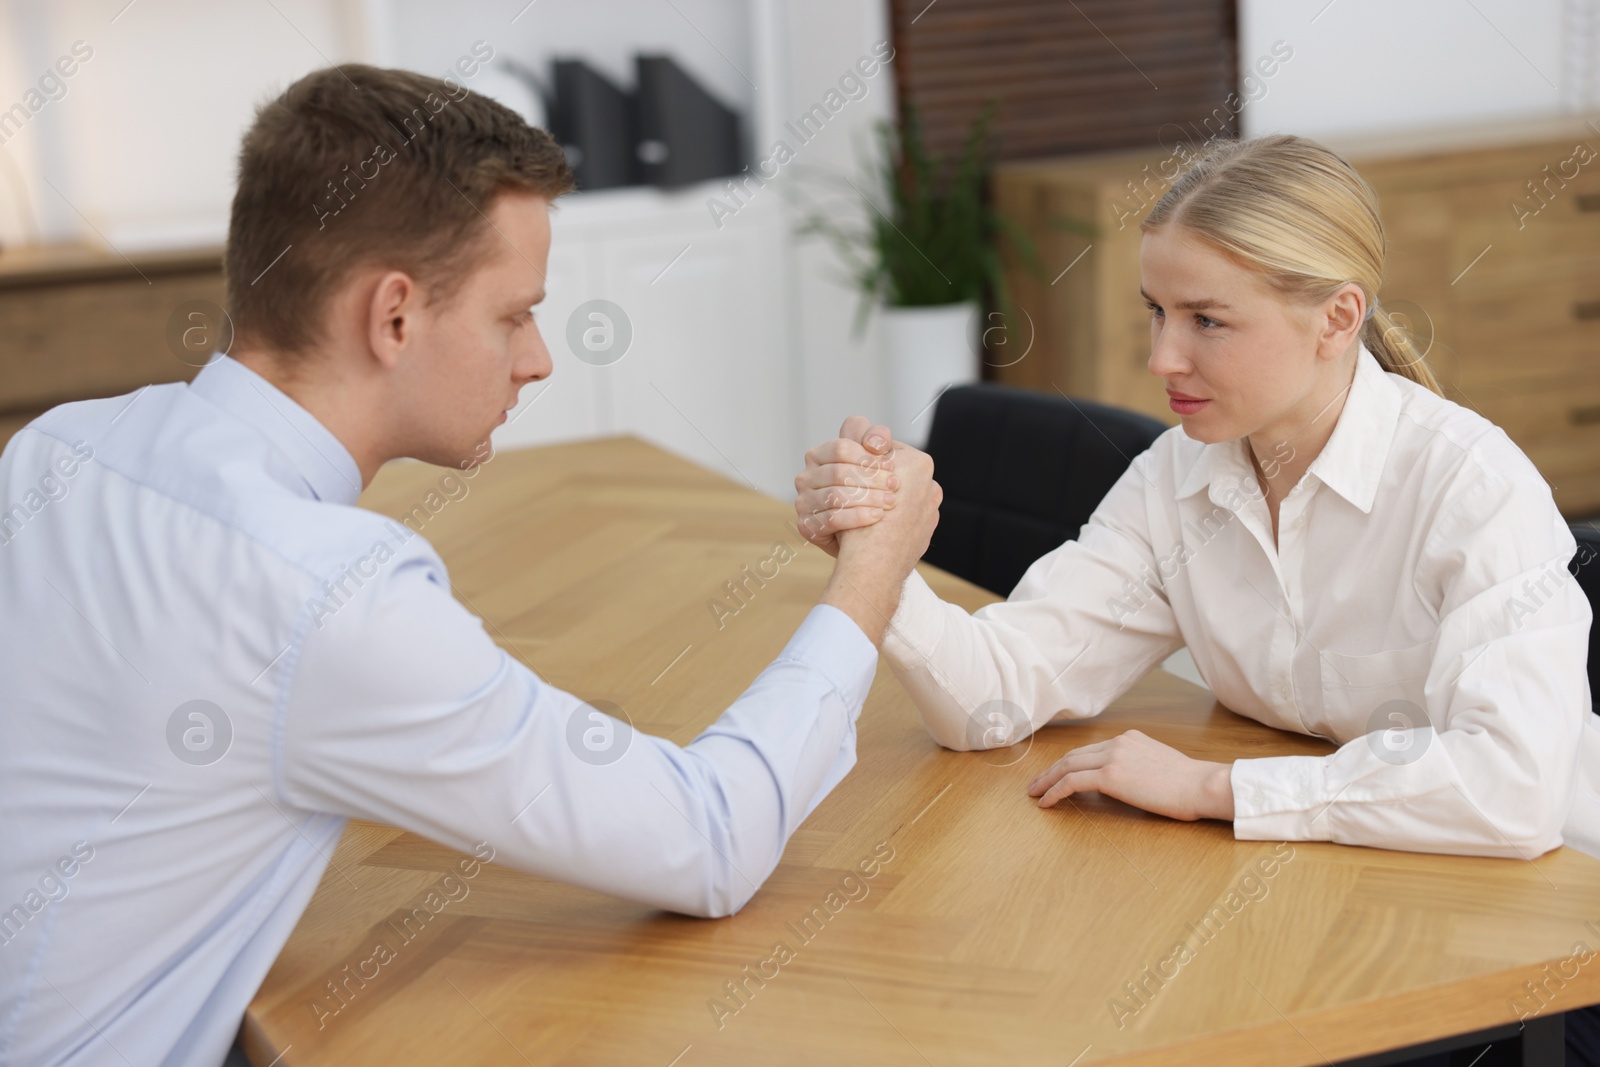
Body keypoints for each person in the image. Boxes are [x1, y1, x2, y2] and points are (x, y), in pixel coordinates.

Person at [0, 66, 940, 1067]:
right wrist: (870, 575)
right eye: (513, 314)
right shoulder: (327, 593)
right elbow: (705, 838)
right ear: (394, 316)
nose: (537, 357)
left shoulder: (58, 449)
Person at [796, 134, 1598, 862]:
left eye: (1207, 320)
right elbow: (994, 696)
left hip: (1549, 911)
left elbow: (1514, 788)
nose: (1161, 358)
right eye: (1156, 313)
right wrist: (880, 552)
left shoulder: (1471, 487)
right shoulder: (1176, 477)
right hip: (1345, 873)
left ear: (1337, 318)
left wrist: (1214, 789)